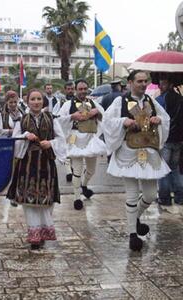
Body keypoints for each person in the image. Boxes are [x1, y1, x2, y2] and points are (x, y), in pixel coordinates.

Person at [103, 70, 170, 251]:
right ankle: (133, 234)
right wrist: (123, 121)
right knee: (132, 194)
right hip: (128, 152)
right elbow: (107, 121)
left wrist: (159, 119)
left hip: (149, 153)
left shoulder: (151, 101)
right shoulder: (121, 101)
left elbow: (166, 118)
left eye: (144, 81)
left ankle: (135, 218)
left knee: (150, 195)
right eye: (138, 81)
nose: (142, 84)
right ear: (130, 82)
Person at [7, 88, 66, 250]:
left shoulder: (52, 118)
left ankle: (43, 231)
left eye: (39, 99)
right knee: (29, 200)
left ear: (43, 101)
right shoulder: (21, 120)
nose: (36, 102)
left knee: (46, 199)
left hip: (46, 163)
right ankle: (34, 235)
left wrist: (51, 143)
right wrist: (25, 136)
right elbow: (15, 141)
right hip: (28, 164)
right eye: (33, 99)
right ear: (27, 101)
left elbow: (61, 139)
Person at [58, 79, 107, 210]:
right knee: (77, 170)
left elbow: (105, 119)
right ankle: (77, 198)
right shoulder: (68, 104)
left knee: (91, 170)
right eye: (80, 89)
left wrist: (97, 113)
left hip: (91, 139)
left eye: (85, 88)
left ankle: (84, 186)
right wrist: (72, 117)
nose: (83, 91)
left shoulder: (94, 103)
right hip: (75, 139)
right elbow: (59, 120)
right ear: (76, 90)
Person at [155, 74, 183, 206]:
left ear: (170, 85)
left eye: (164, 84)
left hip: (166, 139)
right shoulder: (181, 99)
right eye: (160, 83)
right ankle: (180, 196)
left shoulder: (161, 99)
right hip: (178, 139)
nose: (161, 86)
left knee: (163, 168)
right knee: (175, 168)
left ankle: (164, 197)